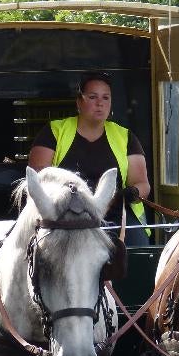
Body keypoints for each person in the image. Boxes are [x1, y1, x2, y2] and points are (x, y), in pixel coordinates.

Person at [28, 71, 151, 245]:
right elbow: (37, 180)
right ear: (79, 102)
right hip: (63, 217)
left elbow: (142, 183)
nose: (100, 103)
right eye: (93, 97)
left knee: (140, 251)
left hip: (116, 215)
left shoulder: (125, 137)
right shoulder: (54, 131)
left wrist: (128, 194)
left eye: (106, 98)